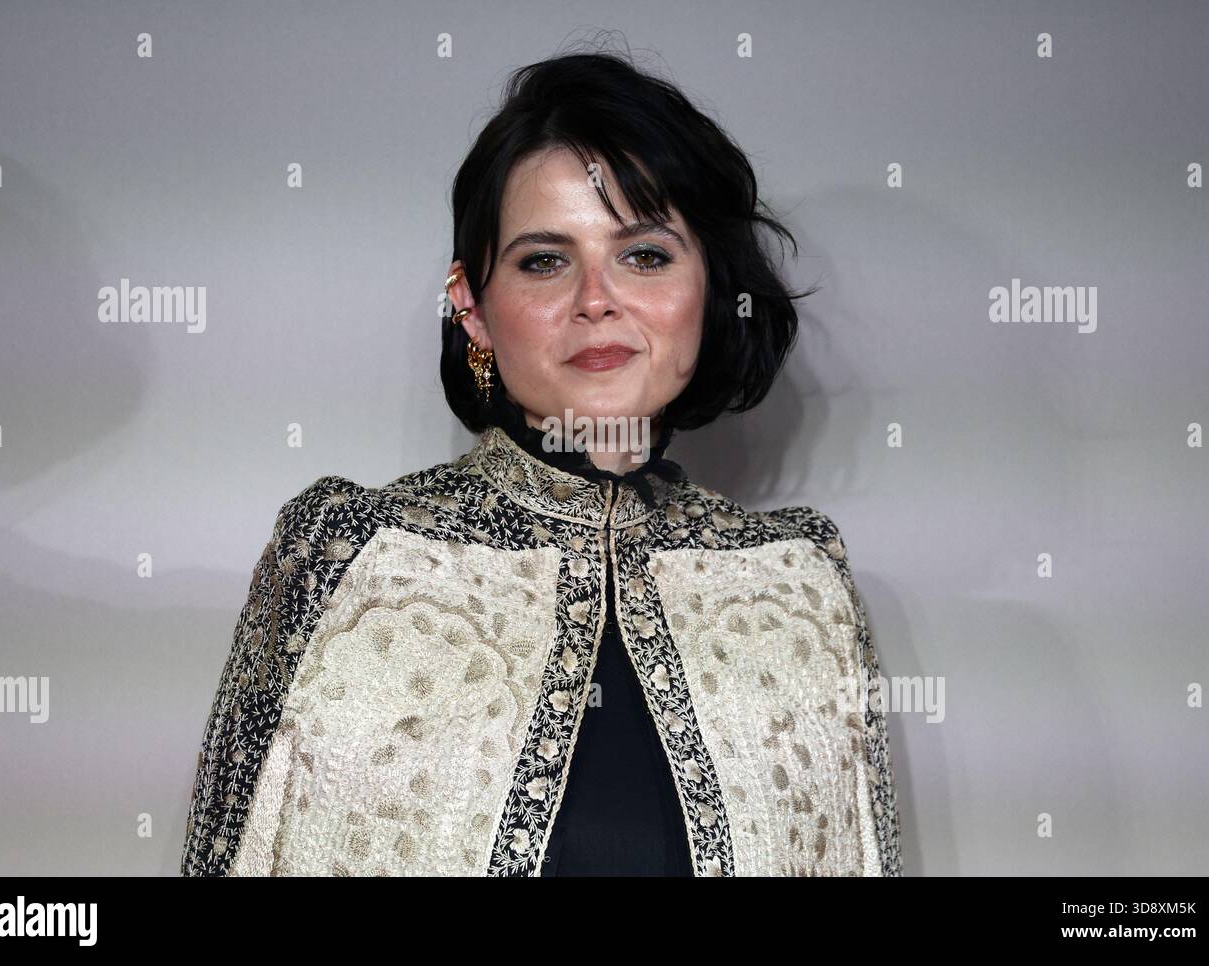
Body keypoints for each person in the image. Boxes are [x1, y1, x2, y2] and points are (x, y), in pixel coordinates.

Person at [181, 46, 902, 877]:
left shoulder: (799, 583)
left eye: (645, 255)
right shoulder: (348, 555)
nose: (596, 300)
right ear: (473, 309)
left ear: (709, 290)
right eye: (544, 261)